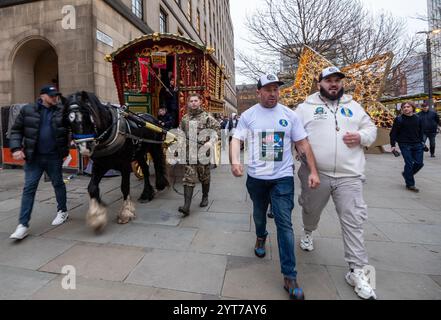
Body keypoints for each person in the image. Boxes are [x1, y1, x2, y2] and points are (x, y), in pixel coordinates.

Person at [230, 74, 320, 300]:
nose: (273, 93)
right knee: (259, 214)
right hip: (257, 178)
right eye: (268, 89)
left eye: (276, 89)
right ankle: (260, 235)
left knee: (284, 223)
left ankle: (289, 276)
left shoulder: (289, 115)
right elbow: (236, 139)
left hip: (282, 179)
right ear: (258, 92)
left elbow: (302, 143)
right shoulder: (248, 116)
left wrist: (313, 171)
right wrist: (235, 161)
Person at [295, 67, 378, 300]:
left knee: (353, 220)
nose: (334, 84)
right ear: (319, 83)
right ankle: (308, 232)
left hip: (349, 175)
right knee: (310, 210)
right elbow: (294, 133)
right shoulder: (305, 108)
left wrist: (361, 137)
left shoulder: (354, 106)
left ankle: (357, 271)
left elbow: (370, 129)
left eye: (337, 81)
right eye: (328, 80)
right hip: (315, 174)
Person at [9, 85, 70, 240]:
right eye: (52, 96)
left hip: (54, 157)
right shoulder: (28, 110)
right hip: (33, 158)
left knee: (58, 184)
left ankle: (62, 211)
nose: (55, 98)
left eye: (56, 95)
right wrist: (16, 147)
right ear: (43, 96)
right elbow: (16, 130)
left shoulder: (61, 111)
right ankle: (23, 225)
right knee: (29, 188)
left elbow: (73, 127)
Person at [178, 93, 220, 216]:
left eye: (196, 100)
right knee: (188, 178)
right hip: (189, 153)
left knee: (204, 177)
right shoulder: (185, 118)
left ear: (200, 102)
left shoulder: (207, 117)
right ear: (188, 103)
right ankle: (186, 206)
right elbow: (181, 133)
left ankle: (205, 196)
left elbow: (216, 131)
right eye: (191, 101)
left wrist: (210, 142)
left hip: (203, 153)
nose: (194, 103)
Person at [390, 101, 425, 192]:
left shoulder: (418, 118)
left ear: (412, 108)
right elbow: (393, 133)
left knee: (419, 163)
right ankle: (410, 184)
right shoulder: (399, 119)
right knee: (409, 164)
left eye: (408, 107)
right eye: (404, 107)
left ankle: (406, 174)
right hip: (405, 144)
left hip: (417, 144)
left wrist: (422, 142)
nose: (406, 108)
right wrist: (393, 145)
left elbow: (421, 131)